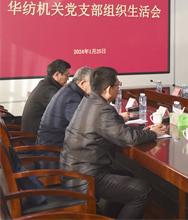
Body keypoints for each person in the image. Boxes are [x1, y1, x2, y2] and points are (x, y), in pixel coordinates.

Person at [60, 67, 164, 219]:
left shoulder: (88, 101)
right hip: (87, 177)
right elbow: (127, 138)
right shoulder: (103, 109)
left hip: (75, 170)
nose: (118, 88)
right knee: (144, 191)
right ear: (109, 89)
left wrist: (145, 131)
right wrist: (154, 133)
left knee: (127, 176)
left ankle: (109, 217)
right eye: (118, 85)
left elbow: (117, 130)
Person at [36, 66, 93, 161]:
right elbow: (83, 126)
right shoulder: (71, 98)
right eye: (93, 84)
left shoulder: (69, 91)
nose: (96, 89)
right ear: (82, 83)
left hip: (51, 149)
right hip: (53, 155)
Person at [21, 59, 71, 135]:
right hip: (35, 138)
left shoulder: (45, 84)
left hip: (35, 133)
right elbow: (65, 110)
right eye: (66, 75)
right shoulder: (48, 90)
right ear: (57, 74)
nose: (68, 79)